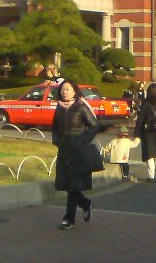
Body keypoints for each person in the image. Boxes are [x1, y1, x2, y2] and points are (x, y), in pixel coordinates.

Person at [51, 79, 102, 230]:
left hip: (78, 152)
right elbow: (54, 128)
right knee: (67, 185)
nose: (64, 92)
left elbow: (94, 126)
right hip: (64, 151)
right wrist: (57, 140)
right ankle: (85, 203)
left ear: (74, 91)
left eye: (67, 89)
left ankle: (69, 219)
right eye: (62, 89)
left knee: (73, 185)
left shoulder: (80, 106)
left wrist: (83, 140)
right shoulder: (59, 108)